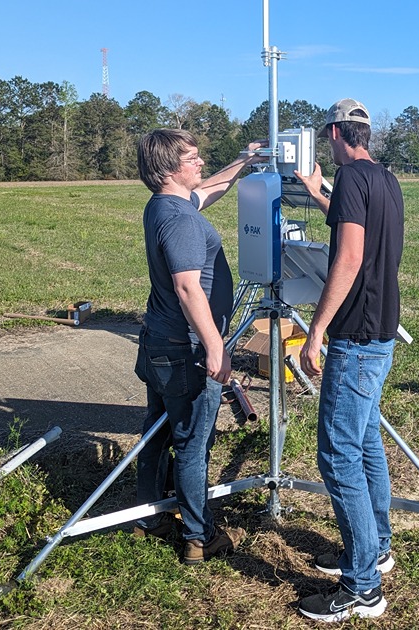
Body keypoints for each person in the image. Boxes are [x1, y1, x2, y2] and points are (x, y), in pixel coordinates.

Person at [293, 98, 404, 622]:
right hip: (380, 332)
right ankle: (376, 549)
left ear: (335, 133)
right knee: (363, 443)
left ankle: (362, 588)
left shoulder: (353, 182)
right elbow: (353, 220)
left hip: (355, 337)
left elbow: (350, 254)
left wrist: (316, 331)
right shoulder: (382, 179)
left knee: (337, 456)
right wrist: (319, 195)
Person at [133, 129, 264, 563]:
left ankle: (150, 513)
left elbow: (209, 189)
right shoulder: (180, 220)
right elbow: (188, 288)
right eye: (192, 158)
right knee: (192, 444)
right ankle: (198, 535)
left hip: (160, 341)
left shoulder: (165, 204)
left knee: (158, 429)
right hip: (186, 349)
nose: (201, 163)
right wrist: (216, 347)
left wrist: (244, 161)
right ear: (170, 169)